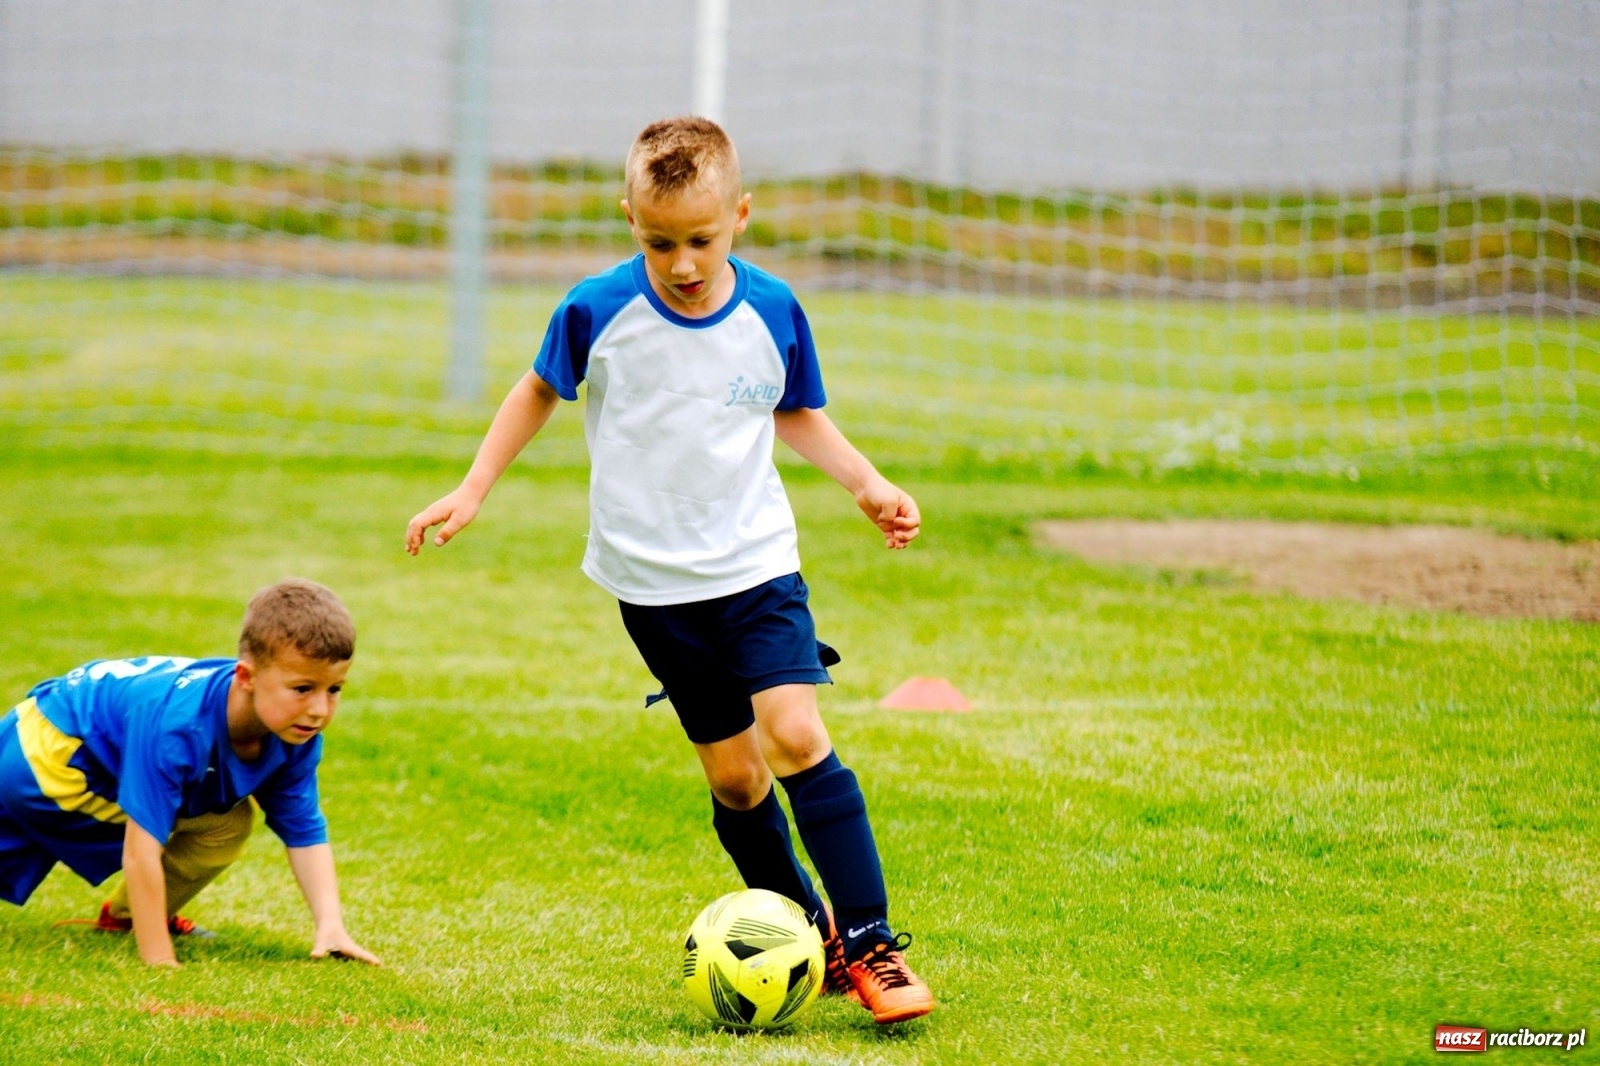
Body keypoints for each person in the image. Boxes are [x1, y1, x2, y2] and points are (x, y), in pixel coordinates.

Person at [406, 116, 934, 1024]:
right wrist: (473, 487)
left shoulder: (771, 309)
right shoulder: (597, 310)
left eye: (701, 239)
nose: (683, 263)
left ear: (740, 216)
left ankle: (873, 942)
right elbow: (538, 388)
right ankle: (809, 936)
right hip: (652, 591)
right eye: (659, 242)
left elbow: (795, 409)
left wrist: (867, 482)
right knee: (735, 782)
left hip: (758, 569)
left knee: (796, 737)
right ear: (629, 220)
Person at [0, 578, 380, 969]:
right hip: (46, 758)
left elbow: (304, 830)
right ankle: (144, 929)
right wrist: (159, 959)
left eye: (334, 689)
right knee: (159, 821)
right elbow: (141, 849)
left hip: (81, 749)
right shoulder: (177, 727)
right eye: (303, 688)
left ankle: (125, 918)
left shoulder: (294, 732)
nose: (319, 709)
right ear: (246, 678)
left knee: (226, 823)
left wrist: (331, 927)